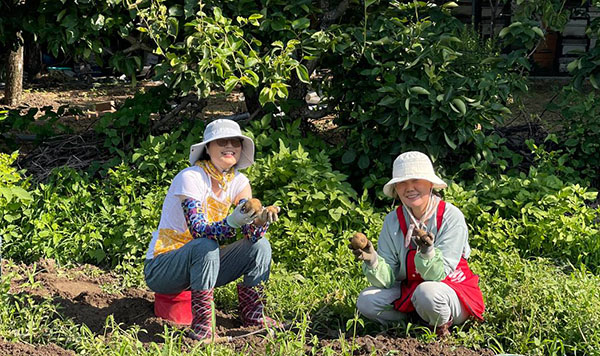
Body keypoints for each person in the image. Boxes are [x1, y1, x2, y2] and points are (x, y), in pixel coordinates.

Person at [144, 119, 281, 341]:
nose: (229, 146)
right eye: (221, 141)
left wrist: (259, 221)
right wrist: (233, 222)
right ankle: (203, 327)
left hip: (205, 267)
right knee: (205, 245)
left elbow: (251, 235)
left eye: (235, 142)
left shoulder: (239, 182)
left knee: (261, 246)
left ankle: (254, 315)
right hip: (164, 267)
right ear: (208, 148)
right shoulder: (191, 177)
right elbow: (198, 230)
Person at [349, 151, 484, 337]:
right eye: (402, 183)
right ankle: (414, 323)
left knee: (427, 292)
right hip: (410, 289)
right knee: (366, 301)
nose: (409, 188)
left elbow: (438, 274)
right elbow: (388, 279)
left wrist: (427, 251)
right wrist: (372, 259)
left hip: (448, 291)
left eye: (416, 181)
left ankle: (441, 326)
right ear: (396, 188)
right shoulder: (392, 221)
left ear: (430, 184)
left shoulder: (451, 217)